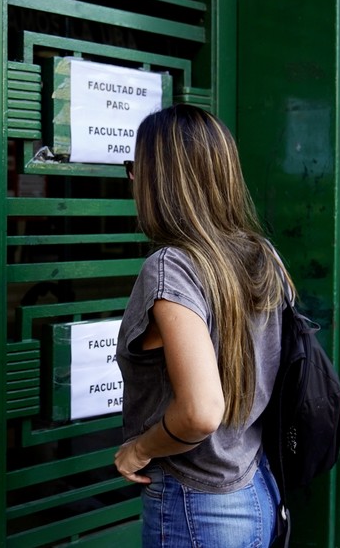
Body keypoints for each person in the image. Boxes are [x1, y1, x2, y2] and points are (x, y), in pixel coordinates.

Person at [114, 104, 293, 546]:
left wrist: (137, 450)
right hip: (257, 488)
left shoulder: (170, 268)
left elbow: (200, 411)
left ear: (159, 179)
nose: (133, 180)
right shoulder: (262, 254)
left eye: (136, 167)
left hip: (196, 507)